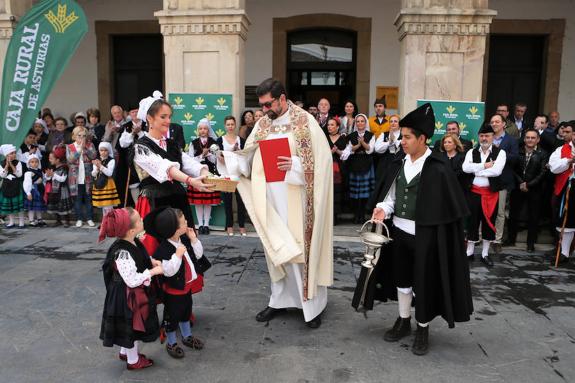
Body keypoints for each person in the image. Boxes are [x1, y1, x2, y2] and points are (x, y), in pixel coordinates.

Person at [217, 78, 333, 328]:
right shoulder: (263, 124)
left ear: (282, 98)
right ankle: (279, 299)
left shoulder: (305, 122)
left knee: (300, 248)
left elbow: (322, 164)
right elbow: (248, 158)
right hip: (270, 198)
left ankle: (310, 306)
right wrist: (229, 160)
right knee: (276, 249)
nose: (264, 109)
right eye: (261, 105)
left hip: (299, 197)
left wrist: (297, 165)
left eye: (268, 103)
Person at [366, 102, 472, 356]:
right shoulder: (398, 163)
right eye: (402, 137)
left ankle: (422, 327)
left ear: (423, 138)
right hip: (399, 234)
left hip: (427, 237)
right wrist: (383, 208)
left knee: (423, 283)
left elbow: (447, 208)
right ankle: (404, 320)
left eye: (407, 137)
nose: (402, 141)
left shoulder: (437, 168)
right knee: (402, 279)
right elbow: (391, 196)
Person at [131, 91, 212, 254]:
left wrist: (206, 173)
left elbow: (189, 163)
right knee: (160, 251)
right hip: (155, 204)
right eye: (163, 117)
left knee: (185, 246)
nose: (168, 121)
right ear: (149, 118)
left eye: (169, 116)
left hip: (177, 202)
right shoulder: (141, 147)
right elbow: (165, 168)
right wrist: (190, 180)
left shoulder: (172, 144)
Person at [99, 208, 163, 370]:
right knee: (131, 329)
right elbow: (132, 279)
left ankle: (125, 352)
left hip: (129, 294)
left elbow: (139, 255)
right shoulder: (122, 253)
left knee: (126, 327)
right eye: (140, 219)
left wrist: (150, 261)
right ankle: (133, 360)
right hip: (127, 297)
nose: (143, 219)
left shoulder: (132, 240)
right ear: (132, 230)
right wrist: (153, 271)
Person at [144, 207, 208, 359]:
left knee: (186, 313)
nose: (187, 223)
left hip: (186, 289)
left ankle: (187, 336)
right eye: (184, 222)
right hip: (173, 292)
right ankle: (171, 342)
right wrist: (178, 256)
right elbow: (168, 271)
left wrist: (194, 239)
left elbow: (198, 255)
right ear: (175, 229)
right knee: (171, 318)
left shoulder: (184, 239)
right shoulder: (163, 249)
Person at [462, 123, 507, 267]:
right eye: (481, 136)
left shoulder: (500, 153)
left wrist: (476, 171)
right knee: (472, 222)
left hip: (490, 194)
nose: (484, 138)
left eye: (487, 136)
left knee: (489, 223)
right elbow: (465, 168)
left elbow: (496, 171)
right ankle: (469, 252)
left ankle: (485, 253)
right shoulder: (471, 152)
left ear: (493, 137)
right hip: (474, 192)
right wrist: (484, 166)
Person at [505, 129, 548, 252]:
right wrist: (521, 183)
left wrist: (529, 184)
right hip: (518, 187)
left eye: (533, 138)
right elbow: (512, 169)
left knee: (533, 217)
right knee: (513, 214)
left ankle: (530, 243)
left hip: (535, 189)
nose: (530, 140)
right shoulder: (517, 152)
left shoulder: (543, 154)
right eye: (527, 137)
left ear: (538, 140)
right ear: (524, 139)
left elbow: (543, 172)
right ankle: (511, 239)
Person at [490, 113, 519, 253]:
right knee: (485, 210)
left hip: (503, 181)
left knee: (500, 212)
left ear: (503, 124)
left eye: (497, 121)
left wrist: (499, 153)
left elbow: (515, 158)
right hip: (487, 180)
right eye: (492, 122)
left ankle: (497, 240)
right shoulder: (486, 137)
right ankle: (481, 237)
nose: (494, 124)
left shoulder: (511, 140)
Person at [548, 123, 575, 265]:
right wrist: (569, 161)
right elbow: (553, 167)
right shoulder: (561, 149)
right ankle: (564, 252)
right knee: (567, 221)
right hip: (568, 188)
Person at [188, 118, 221, 234]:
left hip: (210, 174)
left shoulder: (214, 142)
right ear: (198, 130)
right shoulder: (193, 143)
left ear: (208, 130)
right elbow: (190, 160)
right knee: (198, 201)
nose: (203, 131)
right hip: (197, 175)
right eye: (200, 128)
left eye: (205, 128)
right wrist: (202, 155)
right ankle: (200, 225)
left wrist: (209, 155)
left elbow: (216, 159)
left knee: (207, 201)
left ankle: (206, 225)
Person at [217, 116, 247, 236]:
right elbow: (220, 159)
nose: (230, 126)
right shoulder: (220, 140)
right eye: (228, 124)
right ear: (225, 126)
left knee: (241, 202)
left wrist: (236, 153)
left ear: (235, 125)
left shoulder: (241, 140)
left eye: (232, 124)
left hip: (238, 175)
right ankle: (229, 226)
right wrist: (231, 155)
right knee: (228, 202)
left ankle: (242, 226)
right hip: (226, 175)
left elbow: (243, 158)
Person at [343, 113, 375, 223]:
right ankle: (356, 215)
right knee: (355, 192)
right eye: (358, 121)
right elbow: (349, 150)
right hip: (354, 164)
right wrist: (357, 146)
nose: (360, 123)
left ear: (365, 123)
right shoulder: (351, 135)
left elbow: (370, 150)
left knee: (365, 193)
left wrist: (362, 143)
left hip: (366, 163)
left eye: (362, 121)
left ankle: (362, 215)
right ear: (355, 123)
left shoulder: (371, 135)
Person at [67, 126, 98, 228]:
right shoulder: (70, 146)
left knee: (88, 198)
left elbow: (93, 156)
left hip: (87, 176)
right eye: (79, 136)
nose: (82, 138)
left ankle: (89, 218)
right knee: (77, 198)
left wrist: (85, 148)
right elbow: (70, 159)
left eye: (84, 136)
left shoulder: (90, 145)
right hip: (75, 177)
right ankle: (79, 218)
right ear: (74, 136)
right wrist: (79, 150)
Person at [118, 105, 145, 207]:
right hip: (132, 160)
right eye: (132, 112)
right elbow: (122, 144)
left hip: (146, 159)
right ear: (129, 114)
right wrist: (132, 134)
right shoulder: (126, 126)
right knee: (133, 184)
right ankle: (138, 207)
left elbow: (150, 141)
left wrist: (140, 132)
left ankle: (147, 208)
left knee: (146, 183)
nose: (135, 114)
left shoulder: (147, 124)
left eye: (137, 111)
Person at [326, 117, 347, 225]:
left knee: (337, 192)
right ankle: (328, 217)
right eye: (328, 125)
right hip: (327, 169)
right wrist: (330, 152)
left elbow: (345, 155)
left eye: (332, 125)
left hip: (339, 169)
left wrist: (336, 151)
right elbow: (322, 154)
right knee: (328, 192)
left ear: (337, 127)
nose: (329, 127)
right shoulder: (324, 138)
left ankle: (335, 216)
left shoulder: (343, 138)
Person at [45, 146, 73, 227]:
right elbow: (49, 178)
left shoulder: (64, 168)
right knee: (56, 205)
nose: (49, 160)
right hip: (54, 189)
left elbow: (63, 179)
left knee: (63, 206)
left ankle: (67, 221)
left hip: (62, 190)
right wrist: (48, 175)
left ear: (57, 160)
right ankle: (58, 220)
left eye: (51, 158)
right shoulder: (52, 167)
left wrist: (53, 174)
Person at [91, 142, 121, 217]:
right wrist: (97, 169)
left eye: (105, 150)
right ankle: (105, 223)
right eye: (101, 150)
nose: (103, 152)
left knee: (108, 207)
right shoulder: (96, 160)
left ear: (109, 151)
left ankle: (110, 224)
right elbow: (93, 174)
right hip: (98, 183)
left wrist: (100, 166)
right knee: (103, 207)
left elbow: (109, 173)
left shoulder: (111, 160)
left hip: (108, 184)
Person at [0, 144, 25, 228]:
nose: (14, 154)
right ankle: (11, 221)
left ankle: (21, 222)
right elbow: (2, 175)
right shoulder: (1, 164)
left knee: (19, 205)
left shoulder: (18, 163)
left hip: (16, 185)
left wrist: (11, 165)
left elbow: (19, 174)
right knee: (9, 205)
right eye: (11, 153)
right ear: (6, 155)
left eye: (14, 153)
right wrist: (7, 165)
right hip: (6, 185)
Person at [374, 113, 402, 179]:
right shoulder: (384, 134)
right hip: (385, 164)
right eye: (391, 121)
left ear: (399, 124)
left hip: (398, 164)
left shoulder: (403, 135)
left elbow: (402, 147)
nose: (393, 123)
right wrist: (389, 142)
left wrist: (394, 139)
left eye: (395, 121)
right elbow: (377, 148)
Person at [23, 153, 47, 227]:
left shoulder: (40, 171)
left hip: (40, 190)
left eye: (36, 162)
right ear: (29, 163)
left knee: (38, 206)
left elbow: (44, 180)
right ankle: (31, 220)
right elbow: (26, 183)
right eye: (32, 162)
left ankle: (39, 219)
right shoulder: (28, 172)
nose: (34, 163)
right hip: (33, 190)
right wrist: (28, 193)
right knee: (32, 207)